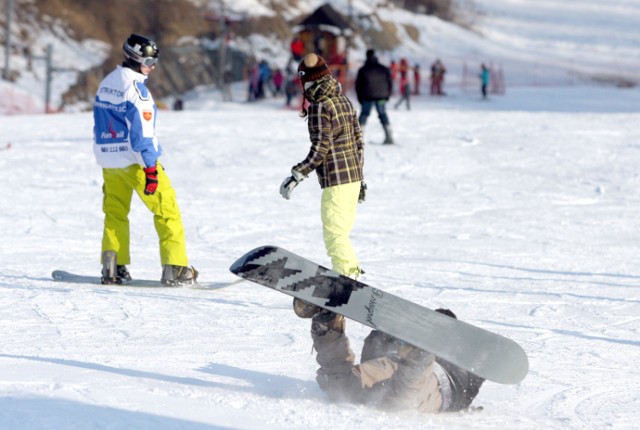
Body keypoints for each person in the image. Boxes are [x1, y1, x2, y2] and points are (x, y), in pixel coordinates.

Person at [93, 34, 198, 286]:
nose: (152, 67)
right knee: (167, 209)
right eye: (150, 61)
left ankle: (112, 266)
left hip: (110, 161)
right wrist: (151, 168)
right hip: (135, 161)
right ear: (137, 58)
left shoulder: (108, 82)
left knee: (115, 213)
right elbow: (143, 134)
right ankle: (176, 267)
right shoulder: (136, 91)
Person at [298, 306, 486, 413]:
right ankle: (327, 329)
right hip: (396, 375)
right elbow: (375, 340)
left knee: (338, 384)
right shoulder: (395, 345)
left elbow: (477, 376)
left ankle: (327, 332)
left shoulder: (459, 361)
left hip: (424, 385)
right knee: (340, 386)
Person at [279, 53, 365, 282]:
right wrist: (360, 179)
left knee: (335, 235)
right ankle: (351, 275)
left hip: (337, 181)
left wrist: (298, 174)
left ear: (308, 81)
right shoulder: (343, 100)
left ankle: (347, 280)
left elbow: (321, 148)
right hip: (353, 179)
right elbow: (358, 141)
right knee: (342, 234)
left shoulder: (320, 106)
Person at [355, 49, 394, 144]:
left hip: (367, 96)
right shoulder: (383, 68)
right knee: (382, 114)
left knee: (364, 115)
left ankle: (358, 139)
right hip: (381, 97)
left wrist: (360, 98)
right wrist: (387, 95)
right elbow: (390, 83)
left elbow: (358, 86)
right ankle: (389, 137)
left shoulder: (363, 69)